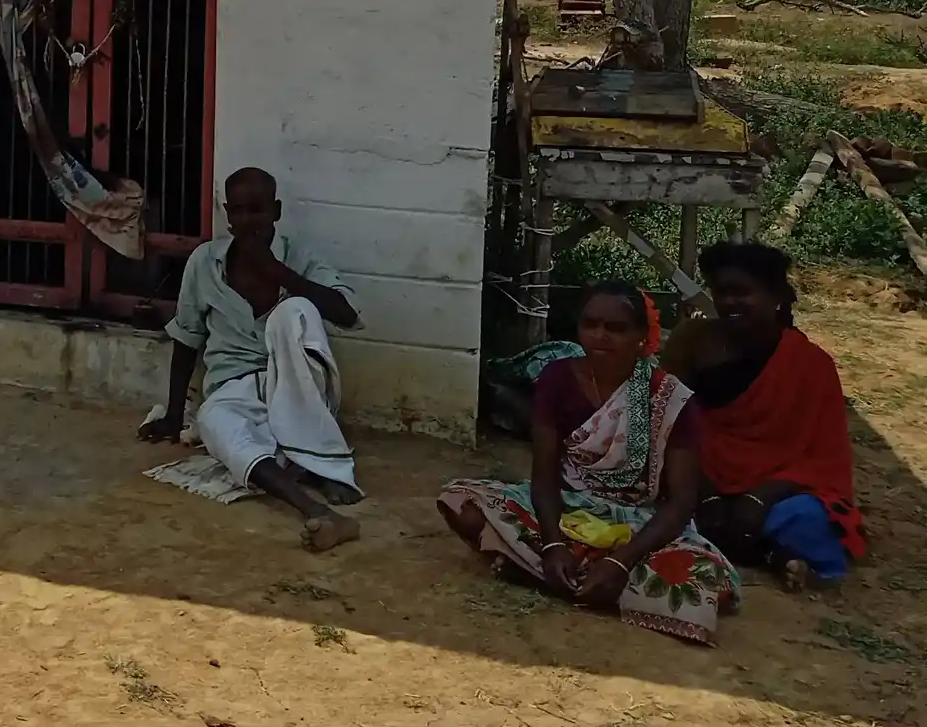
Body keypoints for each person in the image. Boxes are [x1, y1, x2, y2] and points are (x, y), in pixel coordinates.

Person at [439, 281, 740, 645]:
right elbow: (545, 474)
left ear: (643, 337)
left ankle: (561, 573)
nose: (600, 336)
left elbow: (679, 504)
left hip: (639, 523)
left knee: (702, 582)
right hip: (569, 511)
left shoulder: (671, 398)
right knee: (463, 503)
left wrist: (620, 560)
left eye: (616, 328)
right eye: (591, 324)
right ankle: (578, 573)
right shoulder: (557, 379)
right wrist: (552, 543)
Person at [139, 167, 365, 551]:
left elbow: (346, 313)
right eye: (239, 211)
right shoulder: (205, 262)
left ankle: (325, 467)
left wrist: (279, 273)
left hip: (295, 384)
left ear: (275, 211)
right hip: (233, 389)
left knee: (295, 310)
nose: (247, 221)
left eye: (257, 210)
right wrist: (176, 416)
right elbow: (187, 337)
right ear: (228, 213)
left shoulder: (298, 257)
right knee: (212, 420)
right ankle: (316, 510)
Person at [667, 241, 865, 589]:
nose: (729, 302)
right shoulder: (692, 339)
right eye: (720, 292)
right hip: (696, 473)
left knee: (805, 519)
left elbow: (822, 455)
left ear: (775, 295)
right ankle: (769, 555)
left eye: (742, 292)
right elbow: (666, 419)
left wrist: (759, 498)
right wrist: (705, 492)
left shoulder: (810, 364)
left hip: (776, 490)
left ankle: (743, 541)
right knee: (654, 502)